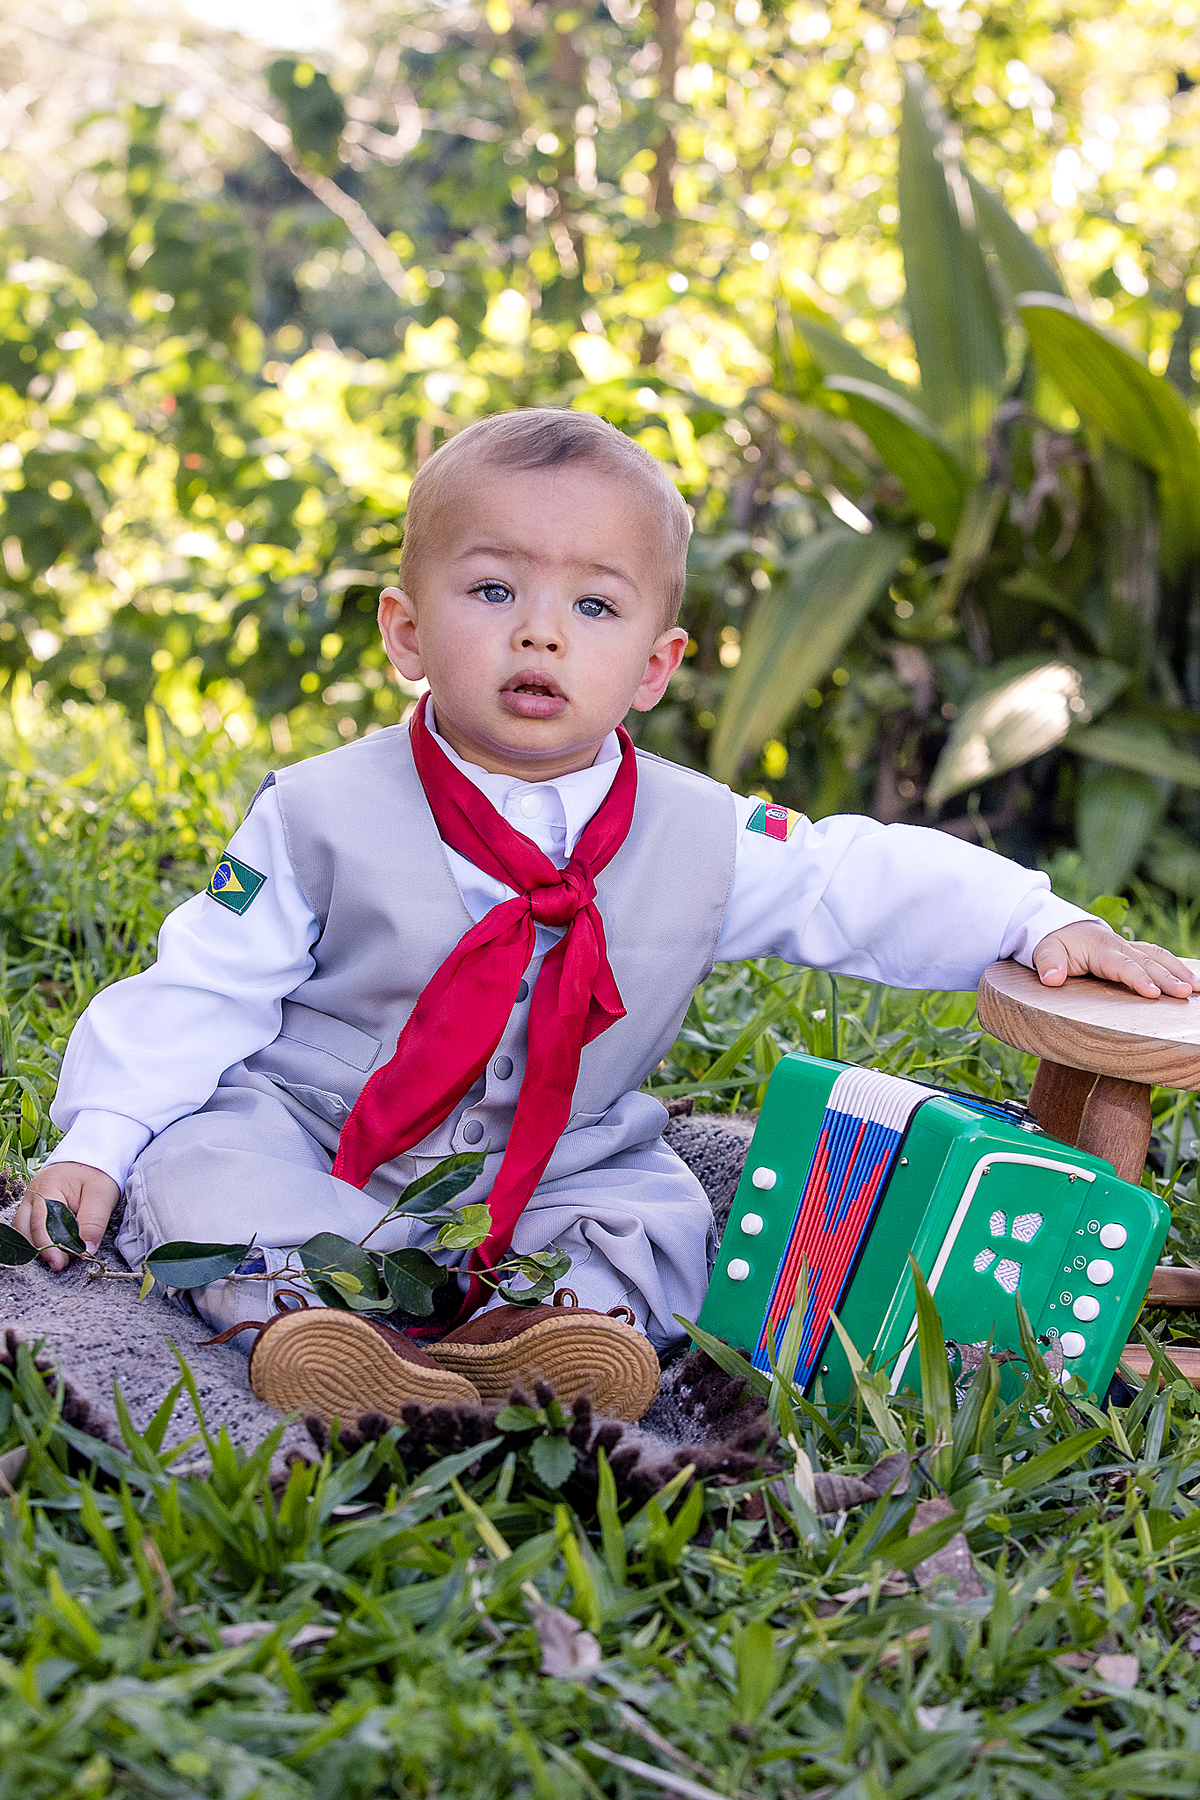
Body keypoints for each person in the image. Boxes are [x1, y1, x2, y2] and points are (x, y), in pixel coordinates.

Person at [15, 409, 1198, 1425]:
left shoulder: (698, 833)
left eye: (593, 604)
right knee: (212, 1174)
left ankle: (544, 1339)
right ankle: (316, 1328)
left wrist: (1035, 919)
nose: (540, 632)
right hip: (325, 1126)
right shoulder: (319, 811)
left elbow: (851, 879)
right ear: (407, 632)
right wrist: (98, 1142)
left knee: (664, 1225)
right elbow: (204, 983)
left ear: (653, 664)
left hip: (557, 1155)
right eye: (493, 590)